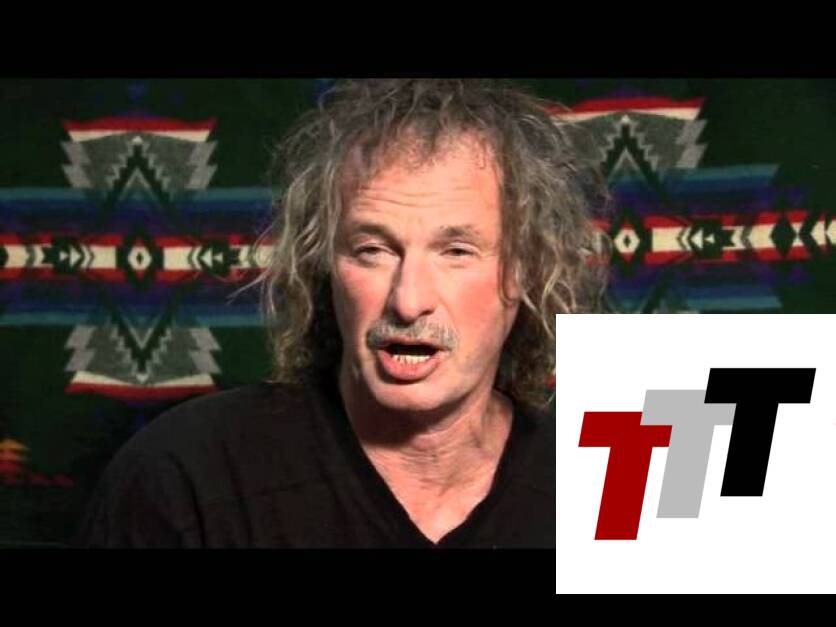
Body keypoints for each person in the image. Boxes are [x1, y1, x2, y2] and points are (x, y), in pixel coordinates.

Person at [74, 79, 608, 548]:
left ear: (526, 270)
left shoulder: (614, 480)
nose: (408, 300)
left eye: (456, 252)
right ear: (324, 268)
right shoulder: (186, 476)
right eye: (372, 250)